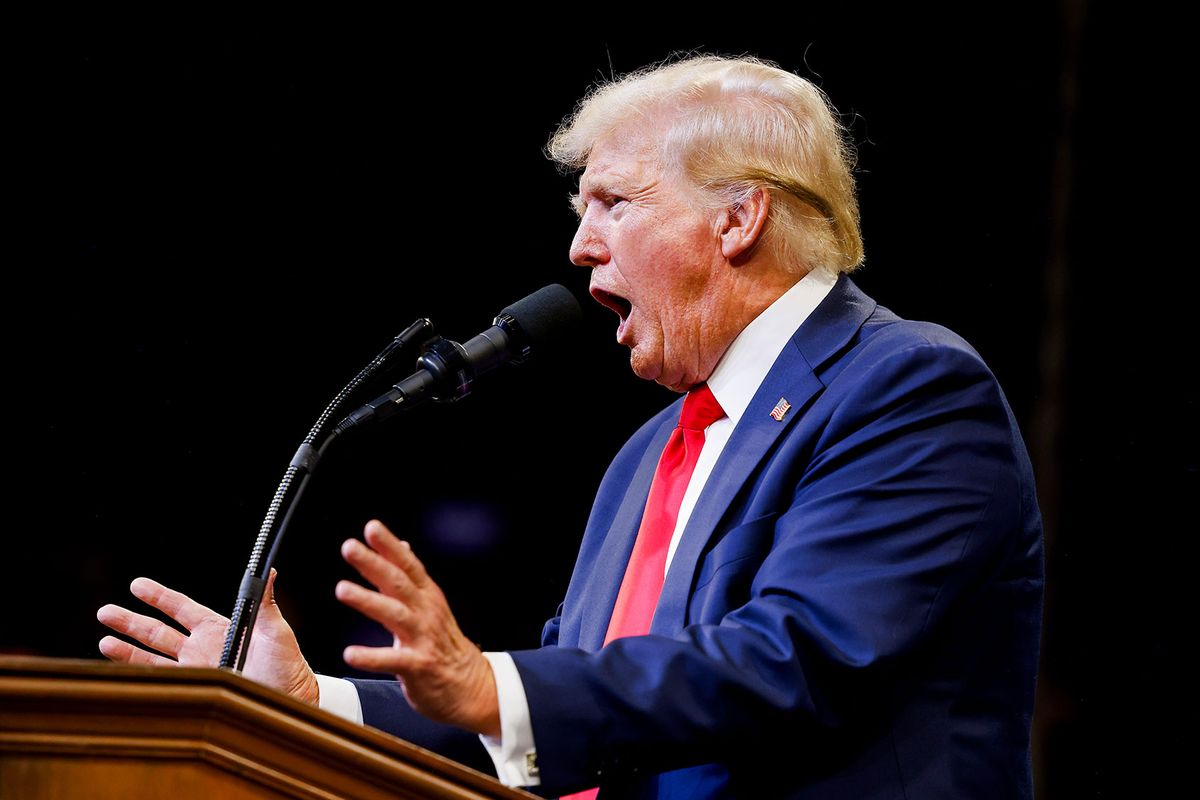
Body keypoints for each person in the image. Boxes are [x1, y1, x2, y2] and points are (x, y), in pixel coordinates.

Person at [98, 55, 1044, 798]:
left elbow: (794, 659)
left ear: (738, 218)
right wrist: (318, 705)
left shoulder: (909, 387)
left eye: (613, 203)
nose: (580, 245)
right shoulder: (649, 454)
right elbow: (575, 692)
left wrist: (494, 690)